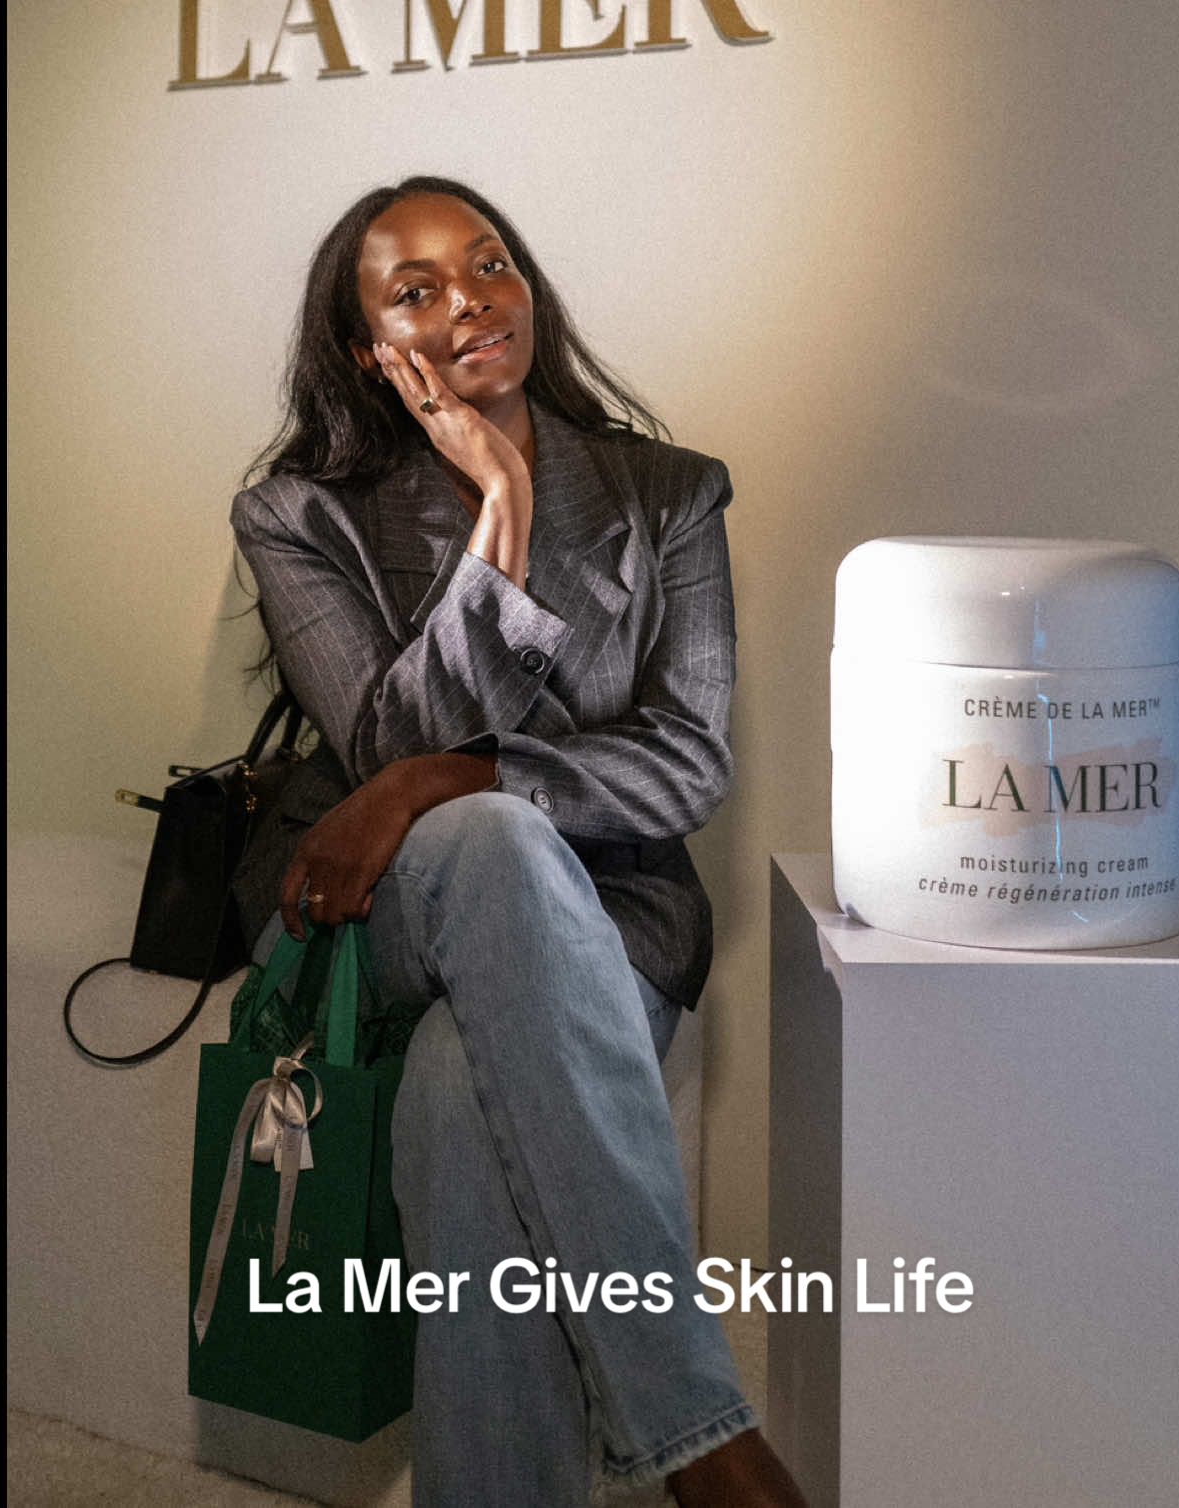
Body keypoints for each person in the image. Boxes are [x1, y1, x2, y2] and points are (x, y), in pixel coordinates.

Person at [230, 176, 807, 1506]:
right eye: (416, 290)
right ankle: (703, 1440)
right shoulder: (300, 513)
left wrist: (458, 772)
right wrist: (501, 507)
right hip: (386, 900)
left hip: (611, 924)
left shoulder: (669, 493)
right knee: (489, 841)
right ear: (369, 352)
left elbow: (685, 763)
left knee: (458, 1101)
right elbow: (385, 748)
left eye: (489, 264)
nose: (471, 302)